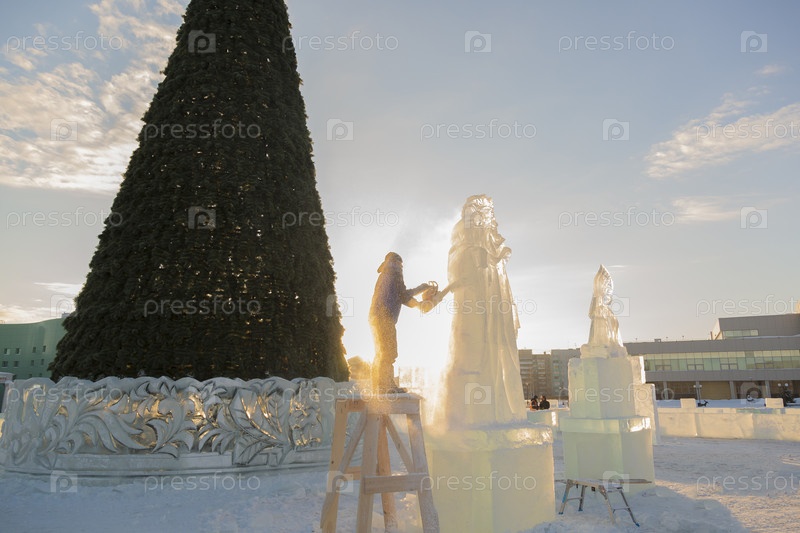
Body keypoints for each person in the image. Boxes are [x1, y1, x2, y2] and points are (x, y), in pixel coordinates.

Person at [369, 252, 435, 393]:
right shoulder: (394, 272)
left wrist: (418, 305)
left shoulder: (385, 274)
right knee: (389, 352)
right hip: (385, 316)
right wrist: (422, 289)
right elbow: (403, 295)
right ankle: (387, 386)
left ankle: (378, 387)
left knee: (381, 352)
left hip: (375, 317)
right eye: (401, 263)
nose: (401, 266)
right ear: (396, 262)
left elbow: (400, 296)